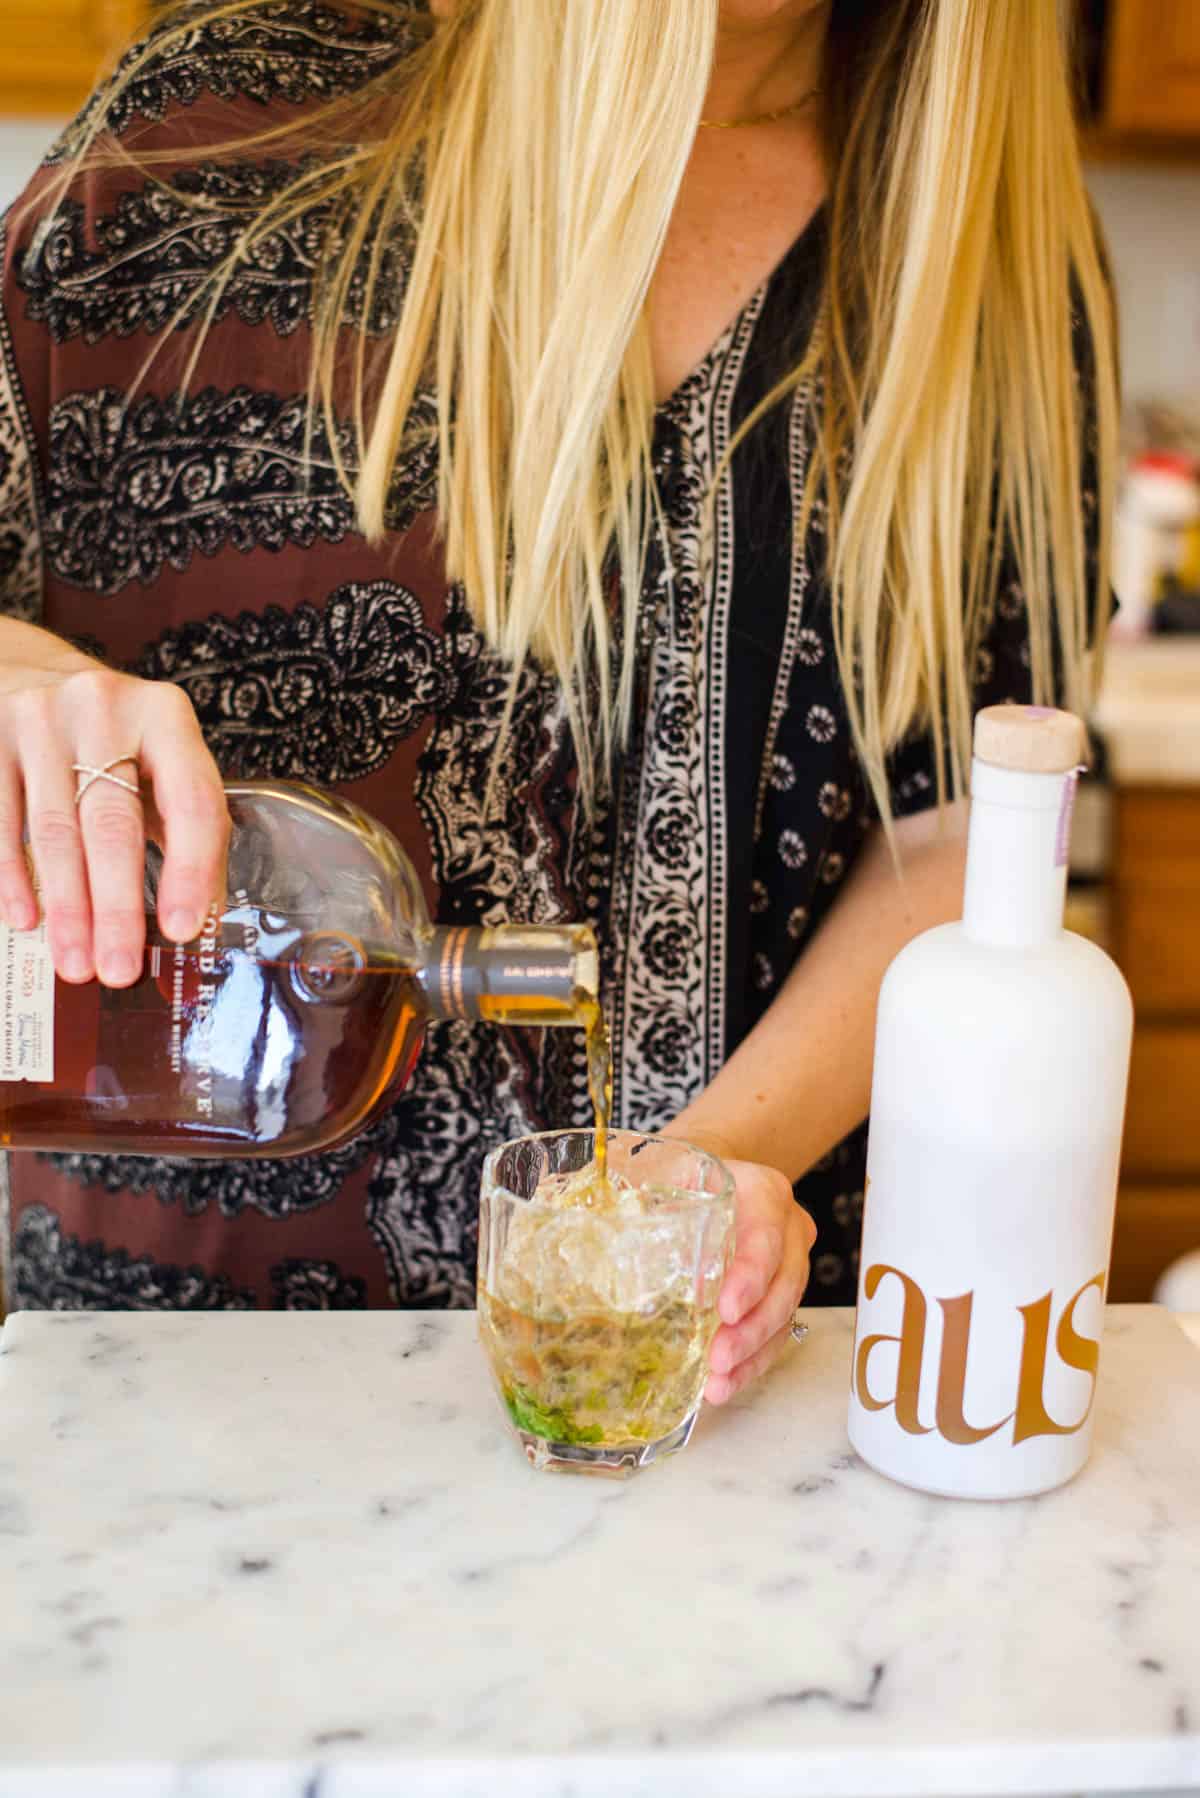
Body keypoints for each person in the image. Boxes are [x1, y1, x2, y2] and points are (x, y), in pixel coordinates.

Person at [0, 0, 1115, 1403]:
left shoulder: (981, 262)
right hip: (185, 1404)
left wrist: (713, 1175)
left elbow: (967, 828)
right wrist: (25, 681)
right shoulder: (222, 126)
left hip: (726, 1404)